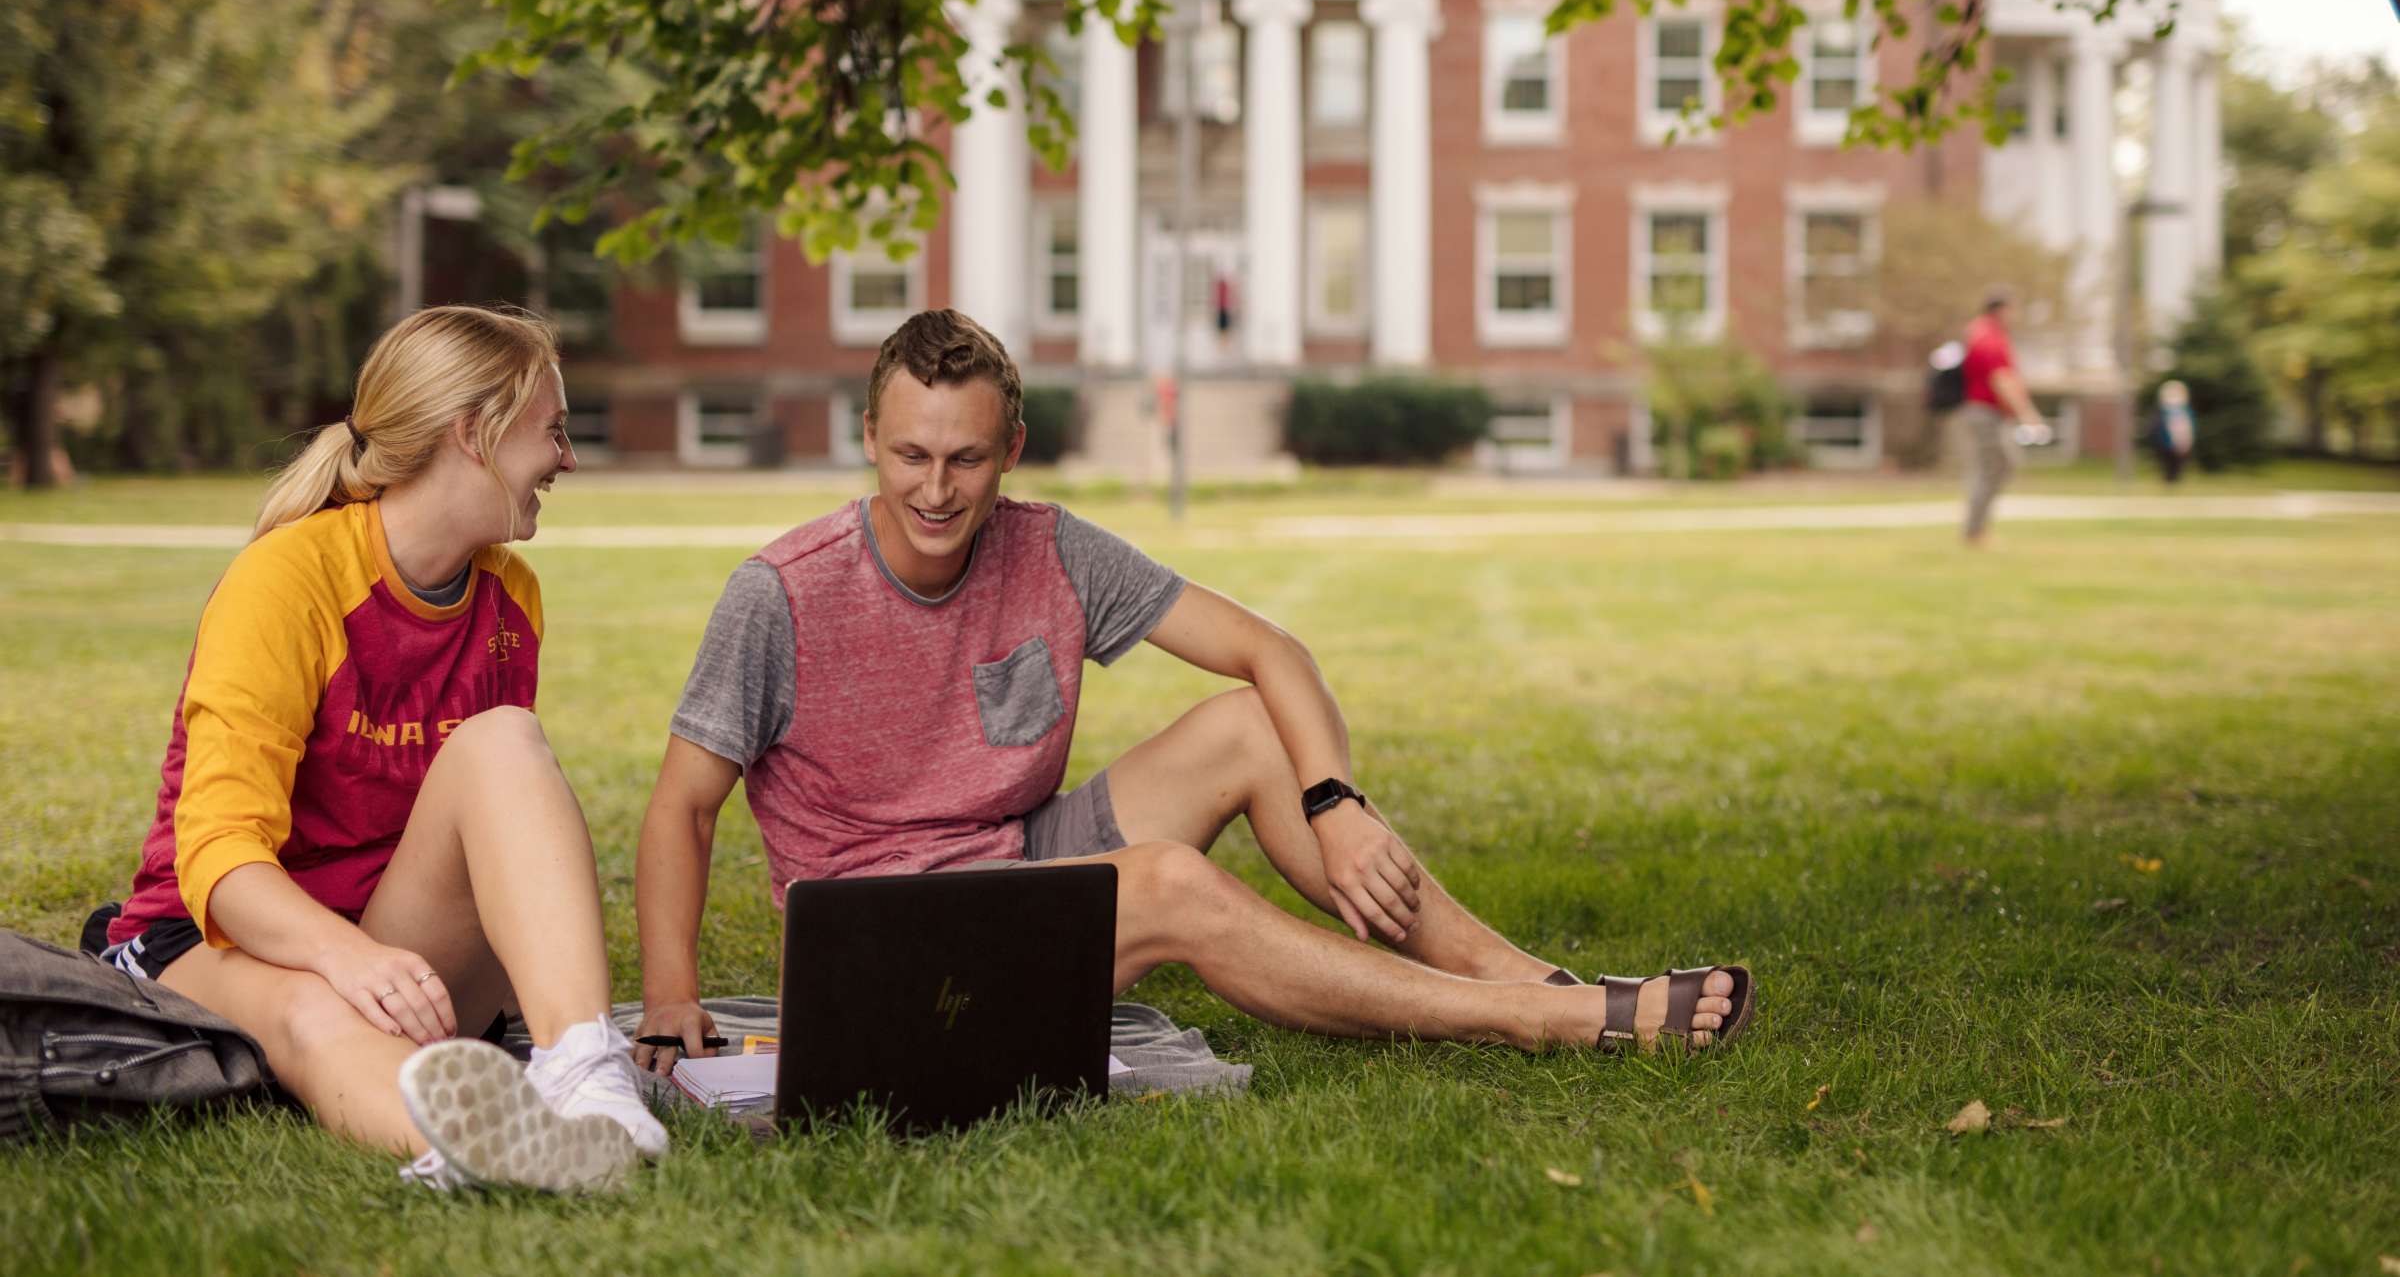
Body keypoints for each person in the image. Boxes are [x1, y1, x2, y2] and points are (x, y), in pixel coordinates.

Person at [633, 309, 1750, 1075]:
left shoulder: (1052, 551)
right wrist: (672, 996)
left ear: (1011, 448)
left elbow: (1271, 649)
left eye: (965, 459)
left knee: (1250, 730)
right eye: (911, 454)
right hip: (881, 950)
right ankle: (1532, 1019)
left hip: (1015, 872)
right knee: (1163, 884)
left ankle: (1531, 975)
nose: (935, 488)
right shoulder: (780, 594)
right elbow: (681, 807)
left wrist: (1334, 804)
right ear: (868, 438)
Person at [93, 306, 664, 1194]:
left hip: (389, 942)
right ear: (474, 433)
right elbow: (218, 856)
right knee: (315, 1008)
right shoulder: (286, 580)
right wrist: (346, 956)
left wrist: (388, 957)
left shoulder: (510, 596)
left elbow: (491, 826)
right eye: (553, 430)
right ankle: (478, 1149)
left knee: (504, 739)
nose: (568, 458)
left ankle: (585, 1074)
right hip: (223, 934)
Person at [1959, 286, 2048, 546]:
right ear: (2002, 310)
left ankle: (1976, 529)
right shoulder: (1990, 338)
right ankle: (1975, 532)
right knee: (1994, 468)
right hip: (1986, 412)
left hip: (1984, 411)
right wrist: (2028, 414)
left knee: (1996, 467)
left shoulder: (1977, 332)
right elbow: (2001, 379)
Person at [2153, 379, 2197, 484]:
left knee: (2179, 463)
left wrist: (2186, 439)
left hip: (2182, 441)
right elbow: (2157, 428)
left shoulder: (2186, 412)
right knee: (2168, 463)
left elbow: (2189, 428)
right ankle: (2169, 481)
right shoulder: (2162, 413)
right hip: (2166, 443)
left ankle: (2176, 480)